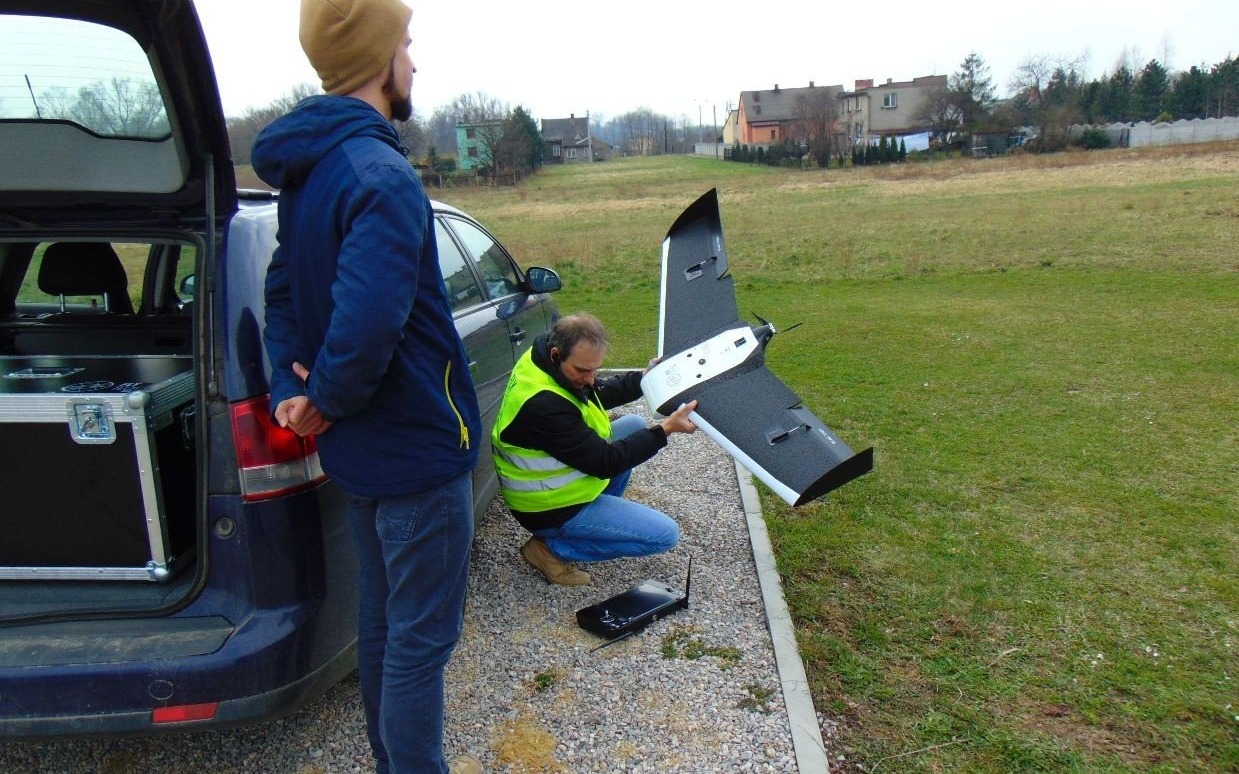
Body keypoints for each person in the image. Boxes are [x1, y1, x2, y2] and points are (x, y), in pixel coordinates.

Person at [252, 1, 482, 772]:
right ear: (377, 59)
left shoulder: (314, 172)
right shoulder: (380, 175)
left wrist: (292, 388)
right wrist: (322, 396)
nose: (413, 61)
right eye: (406, 45)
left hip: (360, 455)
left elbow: (282, 294)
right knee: (420, 643)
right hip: (415, 454)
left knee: (385, 625)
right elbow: (368, 323)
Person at [492, 313, 698, 586]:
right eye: (582, 371)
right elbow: (606, 462)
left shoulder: (543, 360)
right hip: (547, 507)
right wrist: (666, 429)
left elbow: (595, 391)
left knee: (634, 425)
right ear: (556, 355)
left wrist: (643, 379)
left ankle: (592, 521)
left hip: (558, 485)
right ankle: (549, 549)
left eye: (595, 369)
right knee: (665, 535)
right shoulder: (543, 405)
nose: (590, 379)